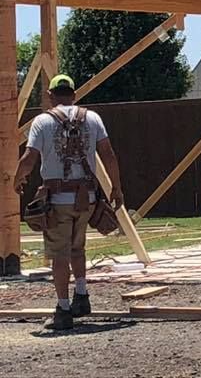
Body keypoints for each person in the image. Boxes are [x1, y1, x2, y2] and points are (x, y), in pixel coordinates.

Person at [14, 74, 124, 331]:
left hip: (57, 200)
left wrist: (16, 180)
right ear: (74, 94)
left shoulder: (42, 121)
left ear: (50, 96)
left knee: (59, 255)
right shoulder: (92, 118)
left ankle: (63, 309)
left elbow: (29, 157)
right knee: (78, 247)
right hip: (87, 198)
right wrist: (117, 188)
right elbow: (108, 153)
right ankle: (82, 297)